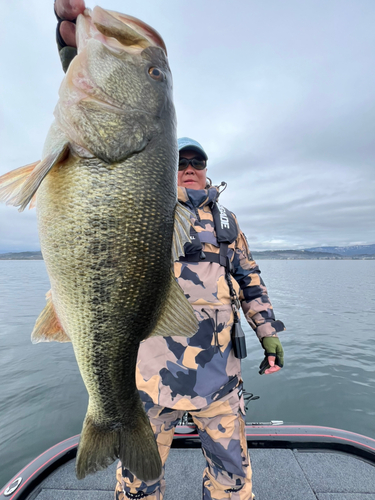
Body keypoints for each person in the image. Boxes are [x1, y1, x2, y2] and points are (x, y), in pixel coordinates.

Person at [54, 3, 285, 499]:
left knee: (233, 481)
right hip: (149, 376)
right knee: (138, 483)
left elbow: (250, 279)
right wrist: (75, 56)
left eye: (198, 161)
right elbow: (106, 164)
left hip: (219, 378)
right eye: (180, 159)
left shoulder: (227, 222)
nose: (189, 166)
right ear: (167, 168)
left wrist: (268, 335)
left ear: (207, 168)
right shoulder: (152, 207)